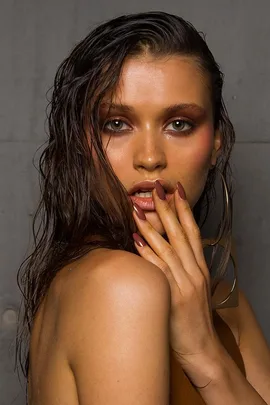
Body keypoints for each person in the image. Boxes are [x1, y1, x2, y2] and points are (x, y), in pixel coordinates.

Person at [16, 11, 270, 405]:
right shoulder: (121, 287)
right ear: (80, 143)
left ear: (216, 142)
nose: (150, 158)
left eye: (180, 124)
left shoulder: (222, 303)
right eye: (116, 124)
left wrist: (203, 349)